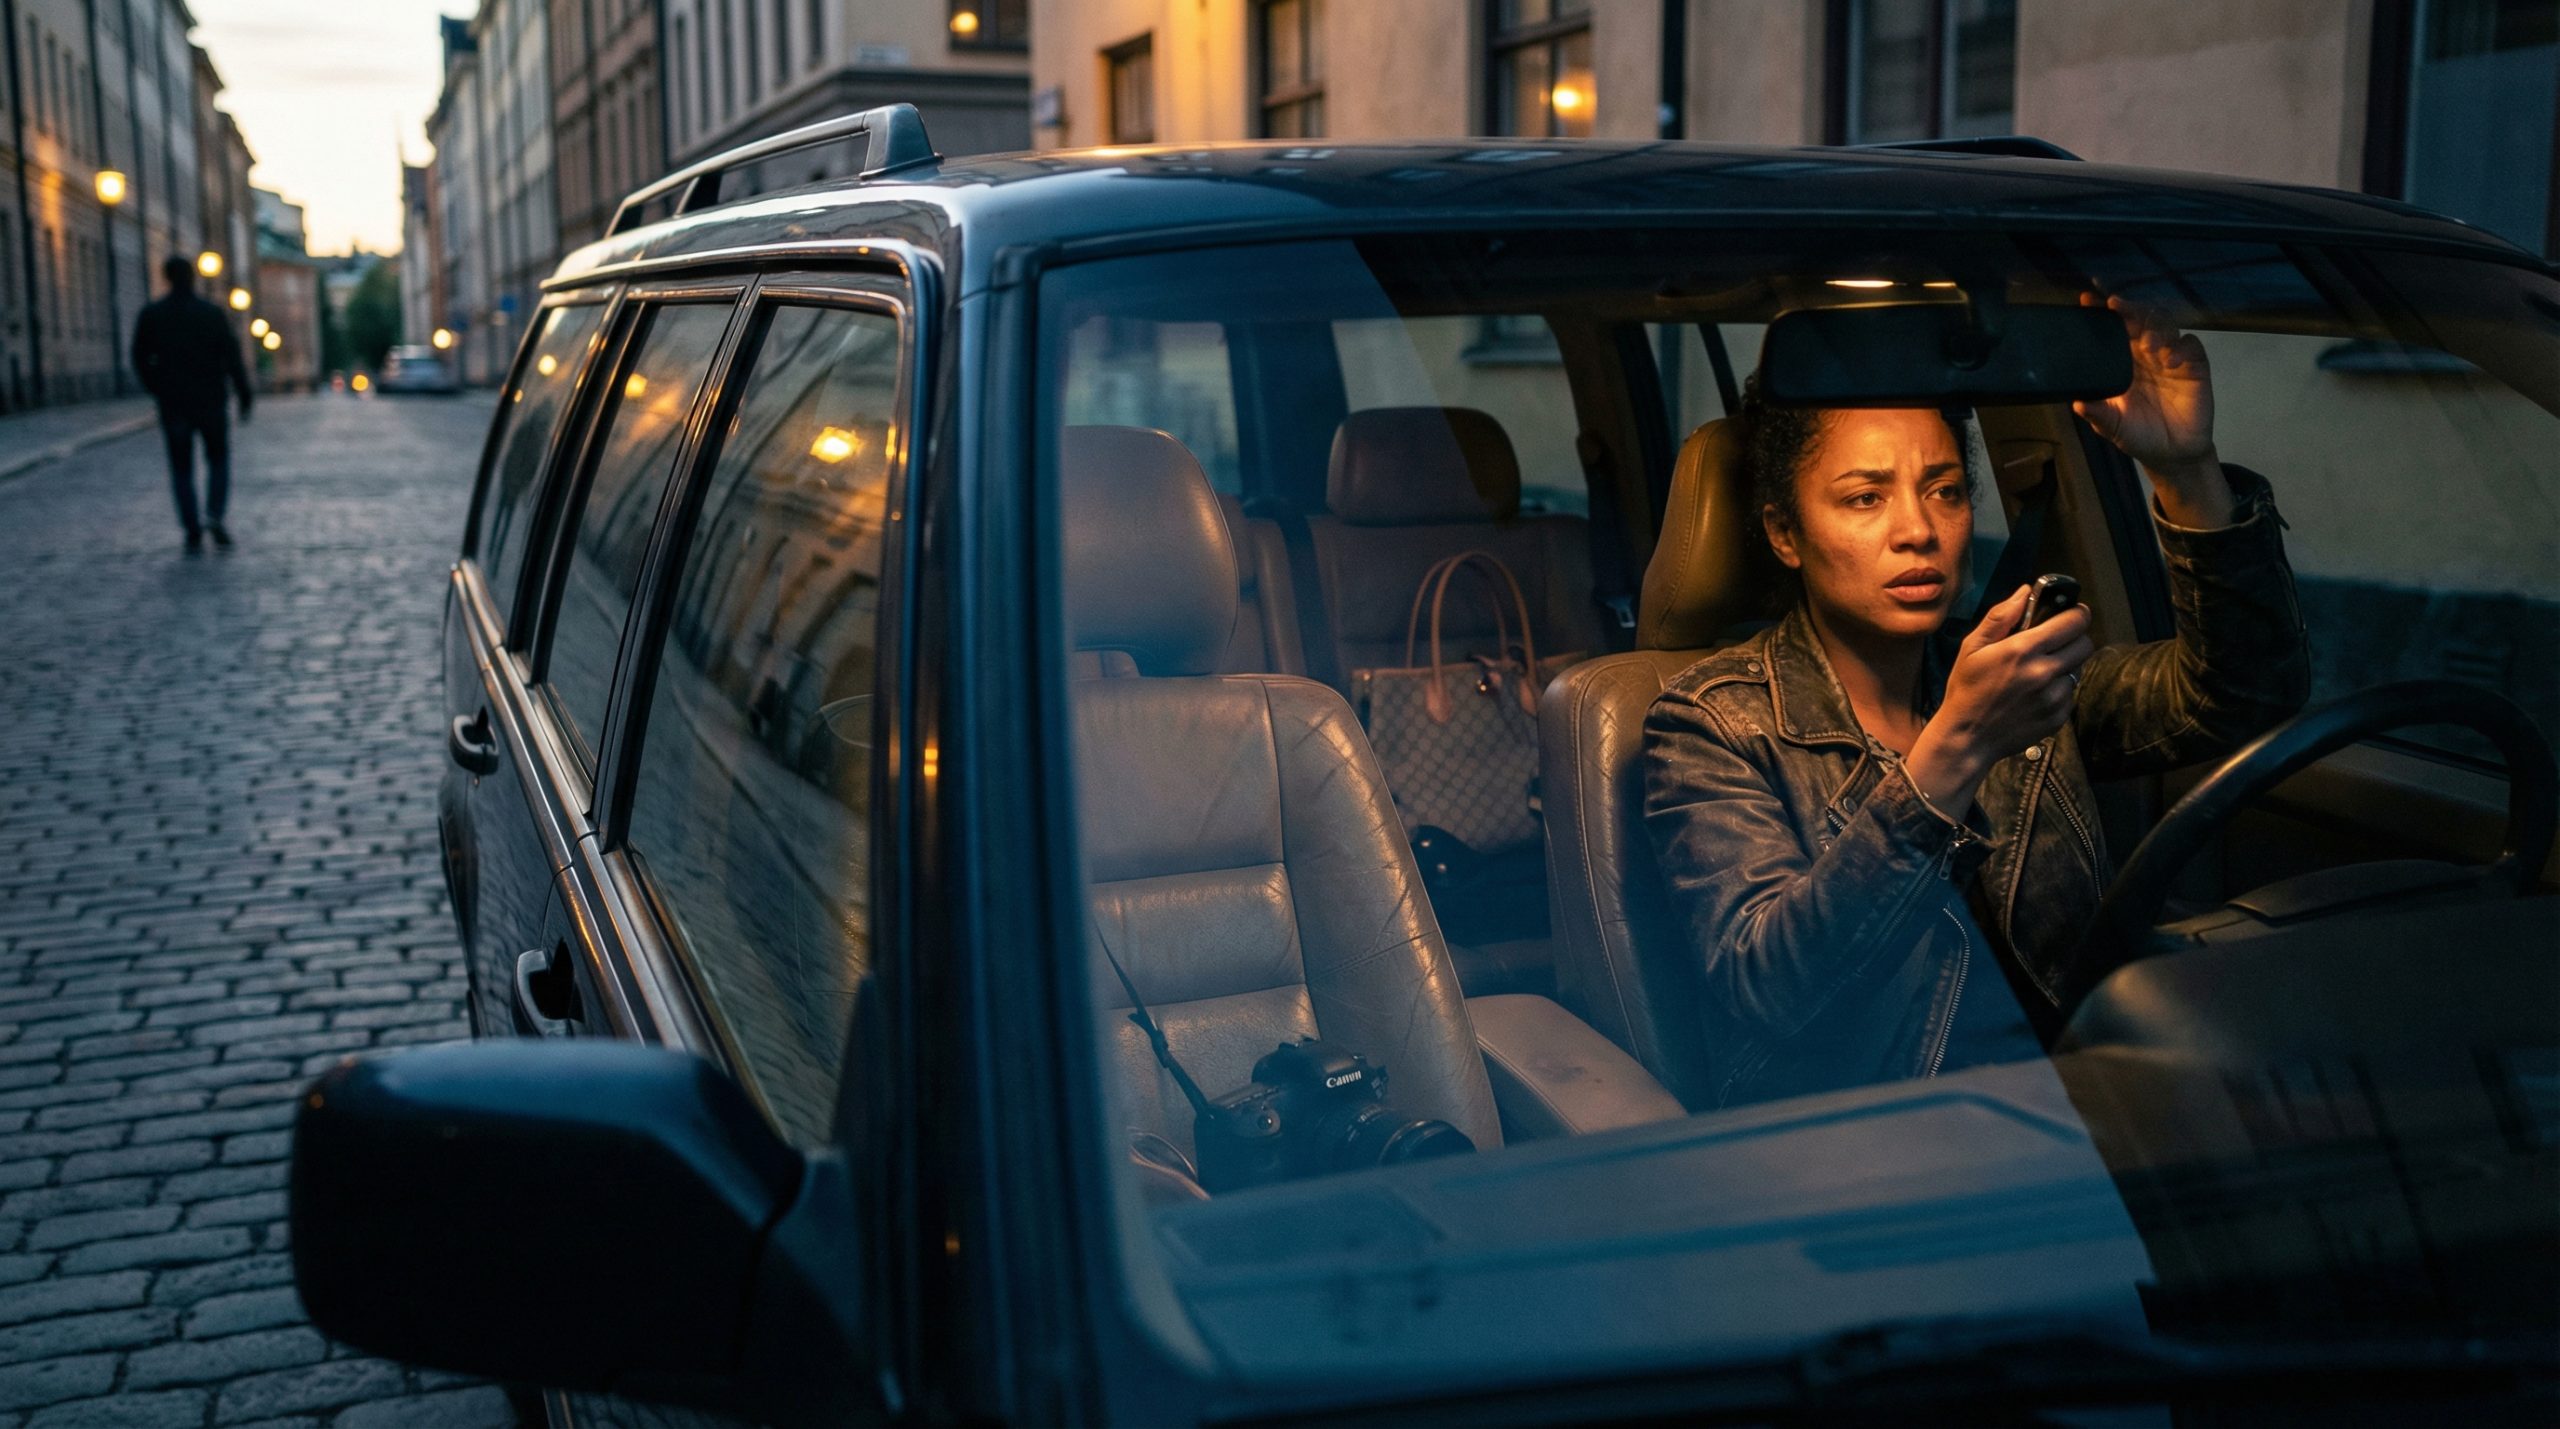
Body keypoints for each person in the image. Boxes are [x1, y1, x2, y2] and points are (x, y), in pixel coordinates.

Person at [1641, 295, 2312, 1109]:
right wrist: (1955, 749)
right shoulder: (1709, 722)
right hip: (1864, 1153)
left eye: (1946, 489)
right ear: (1785, 533)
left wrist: (2185, 471)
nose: (1917, 529)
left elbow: (2241, 693)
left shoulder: (2008, 673)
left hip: (2077, 1115)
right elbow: (1780, 988)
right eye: (1865, 497)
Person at [131, 254, 254, 551]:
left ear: (166, 278)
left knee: (181, 467)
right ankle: (214, 514)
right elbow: (232, 356)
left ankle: (191, 527)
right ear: (193, 277)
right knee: (218, 460)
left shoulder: (153, 314)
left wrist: (156, 387)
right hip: (211, 400)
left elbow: (139, 357)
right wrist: (244, 393)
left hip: (174, 403)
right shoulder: (211, 313)